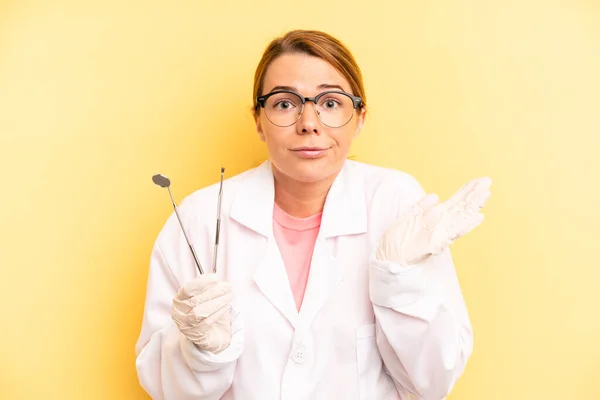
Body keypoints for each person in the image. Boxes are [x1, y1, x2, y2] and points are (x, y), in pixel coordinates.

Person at [134, 29, 492, 400]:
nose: (309, 122)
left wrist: (399, 285)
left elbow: (434, 380)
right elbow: (163, 388)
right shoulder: (200, 219)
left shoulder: (396, 204)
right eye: (285, 103)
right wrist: (201, 353)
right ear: (259, 120)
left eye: (331, 103)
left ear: (360, 117)